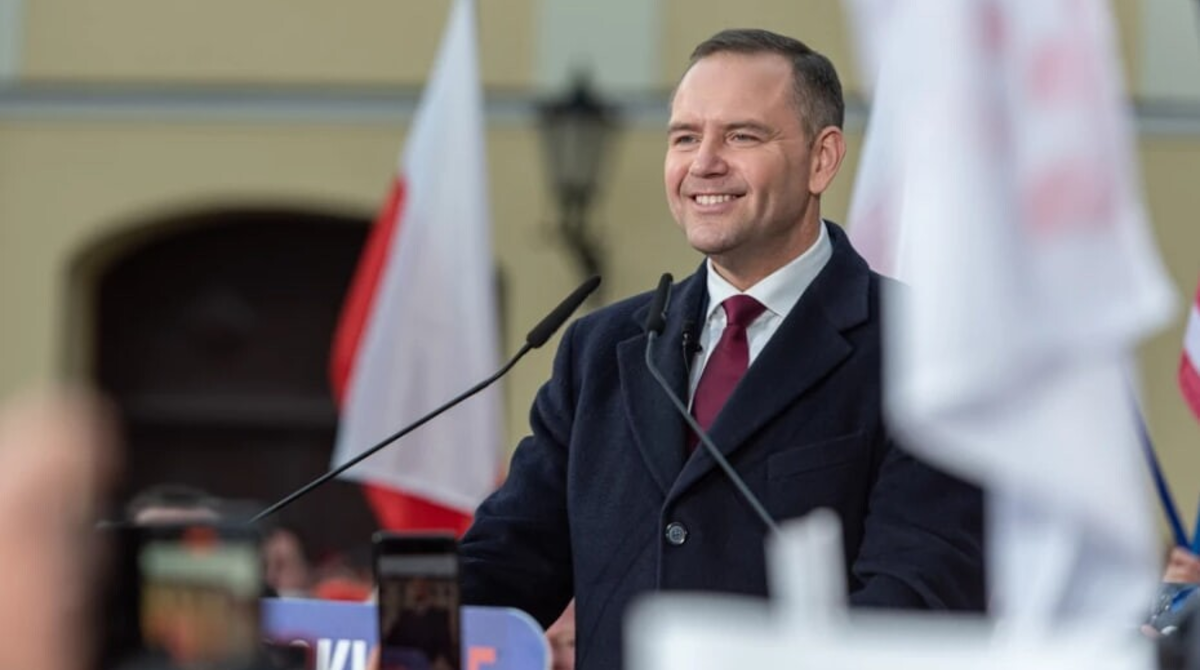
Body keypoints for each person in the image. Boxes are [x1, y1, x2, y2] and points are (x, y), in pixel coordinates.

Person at [459, 28, 985, 670]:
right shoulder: (601, 350)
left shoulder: (921, 348)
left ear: (822, 159)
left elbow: (916, 598)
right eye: (685, 137)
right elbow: (507, 561)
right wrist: (403, 618)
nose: (704, 163)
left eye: (742, 136)